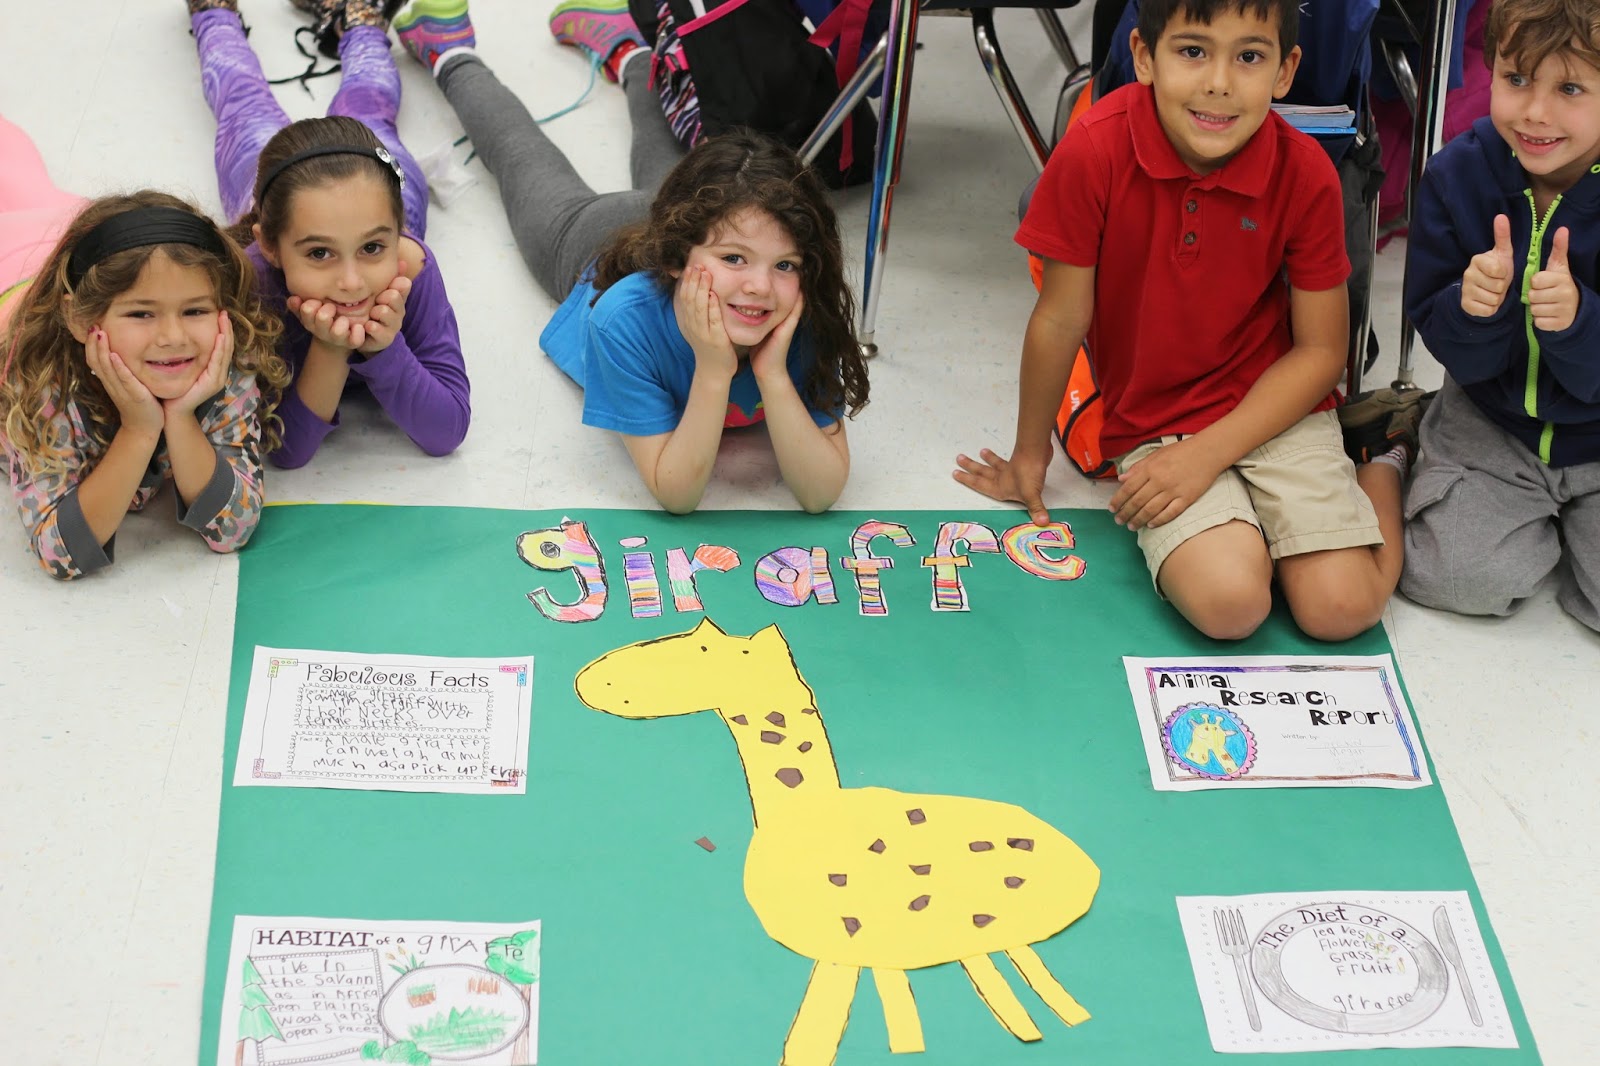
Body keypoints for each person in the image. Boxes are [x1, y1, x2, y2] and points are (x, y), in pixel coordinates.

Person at [954, 0, 1410, 642]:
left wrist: (1209, 454)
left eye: (1249, 56)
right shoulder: (1093, 149)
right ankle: (1274, 534)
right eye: (1193, 51)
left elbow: (1321, 352)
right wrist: (1029, 456)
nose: (1219, 82)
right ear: (1144, 56)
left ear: (1285, 71)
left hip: (1278, 410)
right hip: (1157, 424)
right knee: (1230, 606)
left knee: (1343, 609)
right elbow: (1059, 319)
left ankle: (1385, 459)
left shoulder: (1306, 169)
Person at [394, 0, 868, 513]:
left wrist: (773, 373)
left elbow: (820, 494)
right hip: (593, 240)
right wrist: (715, 369)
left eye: (785, 265)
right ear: (675, 257)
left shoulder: (802, 313)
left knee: (662, 145)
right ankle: (450, 51)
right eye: (735, 259)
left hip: (689, 224)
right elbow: (677, 494)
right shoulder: (623, 317)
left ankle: (633, 52)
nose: (760, 285)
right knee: (519, 153)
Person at [187, 0, 471, 468]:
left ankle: (360, 18)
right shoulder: (252, 281)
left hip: (379, 180)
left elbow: (447, 431)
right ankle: (213, 13)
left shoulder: (411, 266)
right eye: (319, 253)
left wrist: (385, 346)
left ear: (397, 234)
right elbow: (286, 452)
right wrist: (331, 347)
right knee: (241, 103)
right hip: (266, 180)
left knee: (371, 105)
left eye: (373, 247)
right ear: (271, 246)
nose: (352, 282)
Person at [0, 130, 289, 579]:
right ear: (80, 320)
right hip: (10, 271)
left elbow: (233, 528)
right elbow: (60, 554)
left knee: (29, 182)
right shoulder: (43, 381)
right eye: (141, 314)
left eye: (195, 310)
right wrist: (138, 430)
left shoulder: (225, 360)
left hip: (59, 238)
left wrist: (180, 417)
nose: (173, 337)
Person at [1401, 0, 1600, 632]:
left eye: (1570, 88)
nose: (1535, 112)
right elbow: (1436, 326)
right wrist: (1472, 311)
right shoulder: (1456, 173)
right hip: (1490, 421)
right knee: (1454, 580)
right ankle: (1405, 446)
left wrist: (1579, 323)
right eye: (1516, 79)